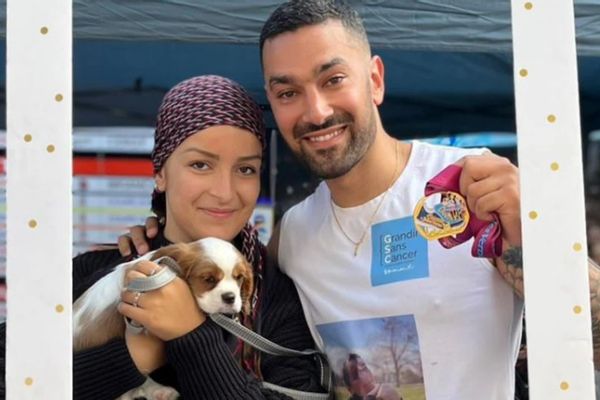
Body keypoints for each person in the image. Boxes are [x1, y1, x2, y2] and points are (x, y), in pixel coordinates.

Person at [122, 1, 600, 399]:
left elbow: (586, 332)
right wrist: (156, 243)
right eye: (288, 92)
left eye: (333, 80)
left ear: (374, 80)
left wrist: (532, 230)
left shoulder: (469, 183)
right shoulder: (294, 233)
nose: (316, 111)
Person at [0, 75, 326, 399]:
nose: (225, 192)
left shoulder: (275, 296)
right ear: (160, 173)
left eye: (246, 169)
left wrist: (191, 337)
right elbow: (11, 380)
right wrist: (132, 357)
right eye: (200, 164)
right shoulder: (93, 272)